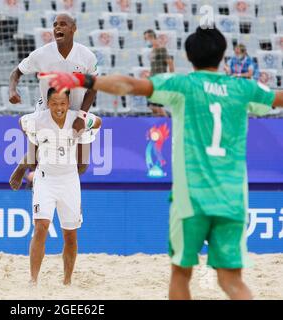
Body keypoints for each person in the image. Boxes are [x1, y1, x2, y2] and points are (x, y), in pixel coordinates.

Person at [41, 26, 283, 300]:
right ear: (223, 54)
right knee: (232, 281)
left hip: (191, 198)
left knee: (181, 274)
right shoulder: (243, 88)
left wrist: (84, 80)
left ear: (189, 57)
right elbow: (278, 98)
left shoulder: (183, 85)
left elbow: (131, 85)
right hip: (232, 198)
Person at [20, 88, 101, 285]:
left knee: (70, 234)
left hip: (69, 181)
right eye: (54, 103)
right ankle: (33, 279)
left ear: (68, 103)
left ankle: (67, 281)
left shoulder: (76, 118)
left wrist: (82, 117)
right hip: (45, 180)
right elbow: (22, 121)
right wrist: (32, 139)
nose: (59, 107)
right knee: (41, 227)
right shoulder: (38, 119)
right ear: (48, 104)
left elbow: (98, 121)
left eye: (63, 103)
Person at [8, 13, 98, 190]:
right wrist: (12, 90)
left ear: (73, 29)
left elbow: (93, 87)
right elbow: (16, 72)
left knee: (82, 165)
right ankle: (24, 166)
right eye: (55, 24)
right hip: (48, 109)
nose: (58, 27)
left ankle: (59, 185)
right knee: (35, 162)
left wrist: (82, 115)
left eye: (63, 24)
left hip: (75, 110)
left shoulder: (87, 56)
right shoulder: (41, 54)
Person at [143, 29, 175, 116]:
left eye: (146, 39)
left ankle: (168, 122)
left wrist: (170, 78)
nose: (145, 41)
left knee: (157, 106)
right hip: (152, 80)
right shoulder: (152, 50)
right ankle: (158, 125)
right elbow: (155, 66)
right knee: (152, 107)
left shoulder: (161, 49)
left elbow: (170, 62)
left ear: (151, 37)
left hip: (160, 81)